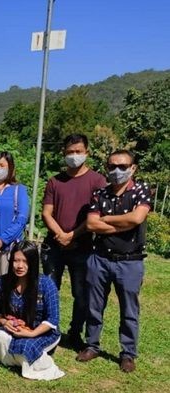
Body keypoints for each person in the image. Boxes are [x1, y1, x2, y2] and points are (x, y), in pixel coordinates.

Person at [77, 150, 152, 373]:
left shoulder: (141, 190)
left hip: (130, 261)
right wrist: (123, 225)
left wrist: (107, 219)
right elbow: (92, 224)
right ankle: (92, 345)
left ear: (133, 168)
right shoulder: (99, 193)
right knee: (94, 306)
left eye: (123, 166)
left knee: (129, 310)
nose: (117, 171)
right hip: (99, 259)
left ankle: (128, 353)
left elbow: (137, 218)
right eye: (112, 166)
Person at [40, 134, 107, 349]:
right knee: (50, 289)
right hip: (54, 246)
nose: (74, 156)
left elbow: (97, 216)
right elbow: (46, 213)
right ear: (63, 153)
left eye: (78, 151)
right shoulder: (55, 181)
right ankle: (49, 329)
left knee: (81, 293)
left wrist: (72, 235)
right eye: (70, 152)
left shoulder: (97, 181)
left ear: (87, 152)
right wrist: (61, 235)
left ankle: (75, 332)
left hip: (83, 246)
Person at [0, 241, 64, 380]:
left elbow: (53, 319)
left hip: (41, 332)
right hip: (15, 330)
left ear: (33, 262)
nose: (20, 266)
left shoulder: (46, 284)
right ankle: (25, 358)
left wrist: (31, 333)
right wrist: (4, 322)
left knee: (25, 346)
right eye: (16, 261)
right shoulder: (2, 282)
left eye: (25, 261)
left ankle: (30, 357)